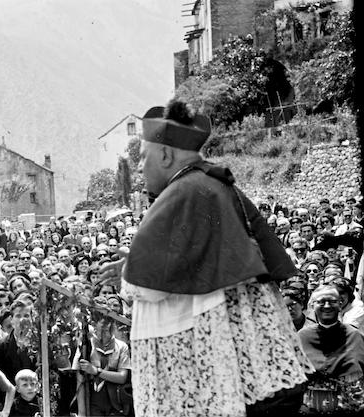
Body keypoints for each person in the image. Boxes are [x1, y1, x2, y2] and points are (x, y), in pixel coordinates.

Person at [118, 101, 313, 416]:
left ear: (166, 155)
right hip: (253, 367)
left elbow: (147, 286)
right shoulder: (214, 183)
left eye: (143, 157)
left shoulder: (183, 192)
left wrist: (127, 271)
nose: (140, 167)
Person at [298, 285, 364, 415]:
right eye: (321, 302)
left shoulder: (355, 336)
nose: (327, 306)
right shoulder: (301, 336)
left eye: (332, 301)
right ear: (312, 305)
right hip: (309, 409)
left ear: (340, 305)